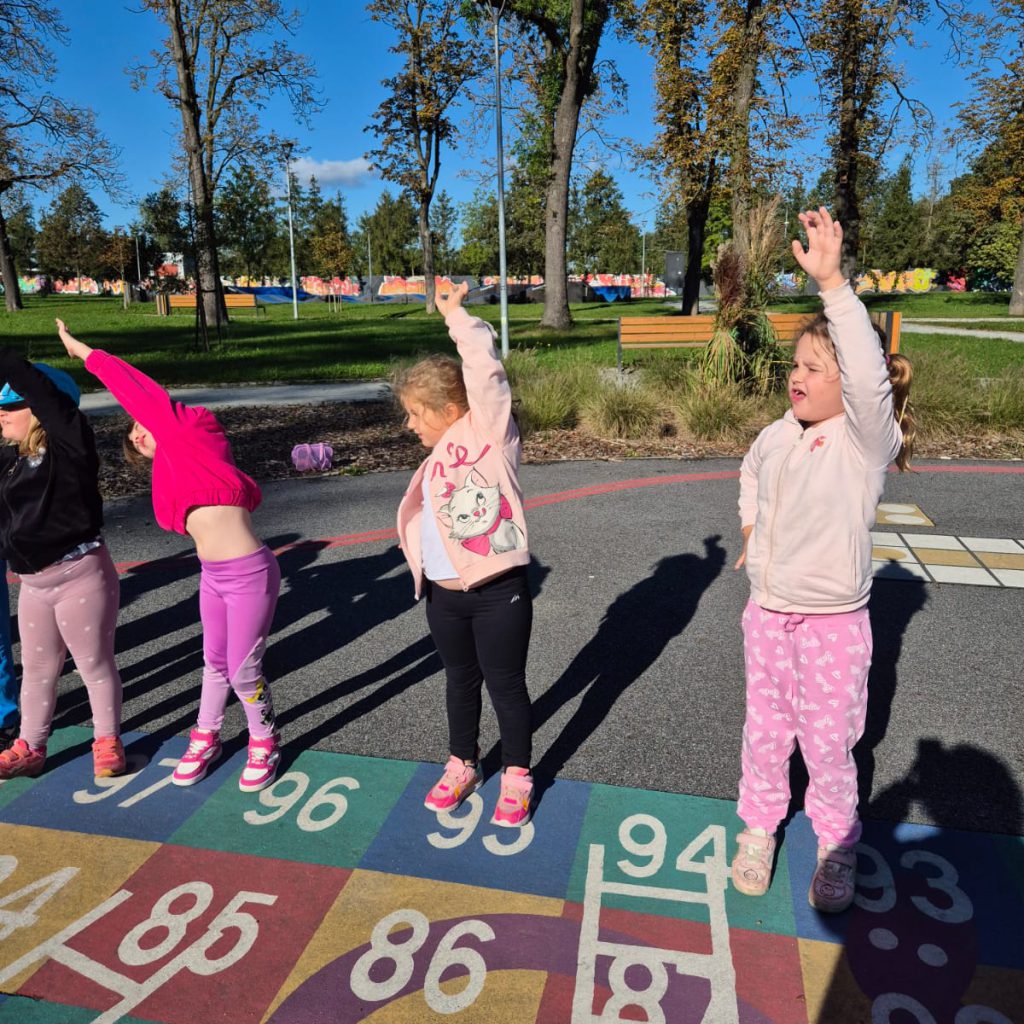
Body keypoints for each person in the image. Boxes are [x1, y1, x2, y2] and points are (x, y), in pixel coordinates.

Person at [731, 208, 915, 913]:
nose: (796, 375)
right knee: (766, 731)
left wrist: (834, 286)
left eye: (814, 367)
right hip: (767, 616)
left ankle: (836, 844)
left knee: (830, 746)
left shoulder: (861, 443)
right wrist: (750, 526)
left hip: (832, 624)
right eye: (794, 365)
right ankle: (758, 826)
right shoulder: (778, 435)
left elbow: (867, 380)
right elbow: (749, 470)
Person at [55, 320, 282, 794]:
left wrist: (85, 353)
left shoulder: (192, 432)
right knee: (215, 661)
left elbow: (143, 395)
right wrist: (155, 449)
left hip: (250, 573)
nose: (137, 433)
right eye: (134, 435)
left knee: (244, 668)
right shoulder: (174, 473)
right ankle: (206, 735)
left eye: (140, 424)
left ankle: (264, 739)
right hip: (214, 576)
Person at [395, 281, 535, 828]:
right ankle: (463, 763)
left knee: (506, 685)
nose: (410, 425)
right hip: (443, 597)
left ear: (450, 408)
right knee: (459, 681)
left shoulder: (489, 433)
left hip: (497, 594)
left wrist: (457, 318)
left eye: (414, 414)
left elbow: (485, 373)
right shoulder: (433, 461)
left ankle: (519, 773)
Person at [0, 352, 125, 779]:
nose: (1, 412)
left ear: (42, 408)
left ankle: (107, 740)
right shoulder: (10, 461)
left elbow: (47, 399)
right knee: (36, 670)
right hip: (34, 585)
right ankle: (31, 746)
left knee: (93, 664)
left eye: (12, 404)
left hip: (80, 576)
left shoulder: (71, 447)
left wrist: (8, 361)